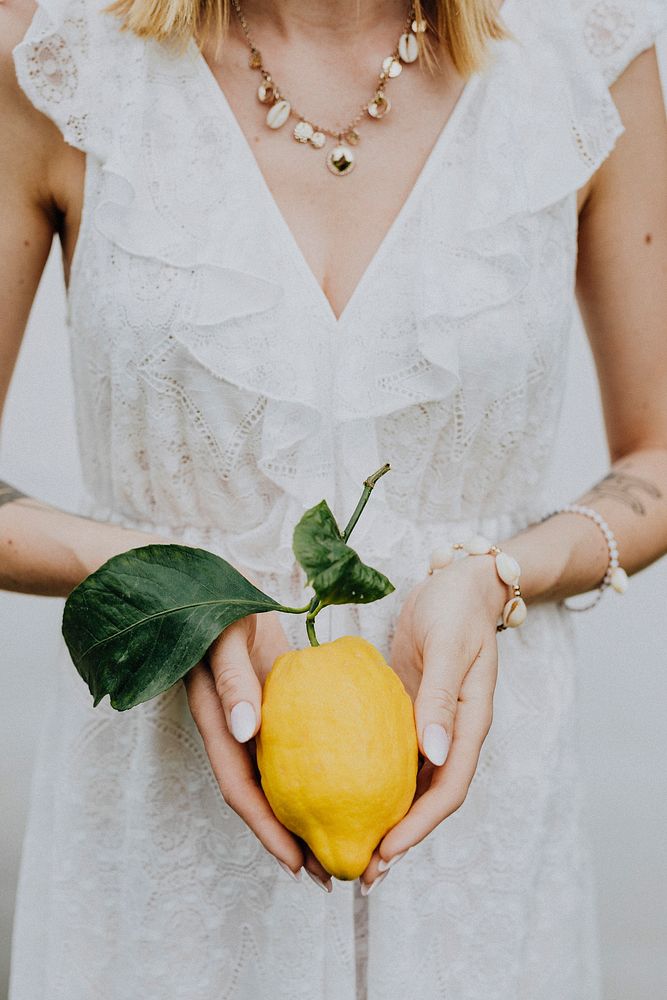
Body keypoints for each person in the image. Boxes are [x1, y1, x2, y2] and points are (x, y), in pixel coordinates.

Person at [1, 0, 666, 996]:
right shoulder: (58, 56)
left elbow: (654, 456)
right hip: (159, 850)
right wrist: (174, 593)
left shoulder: (584, 58)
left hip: (478, 843)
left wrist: (498, 578)